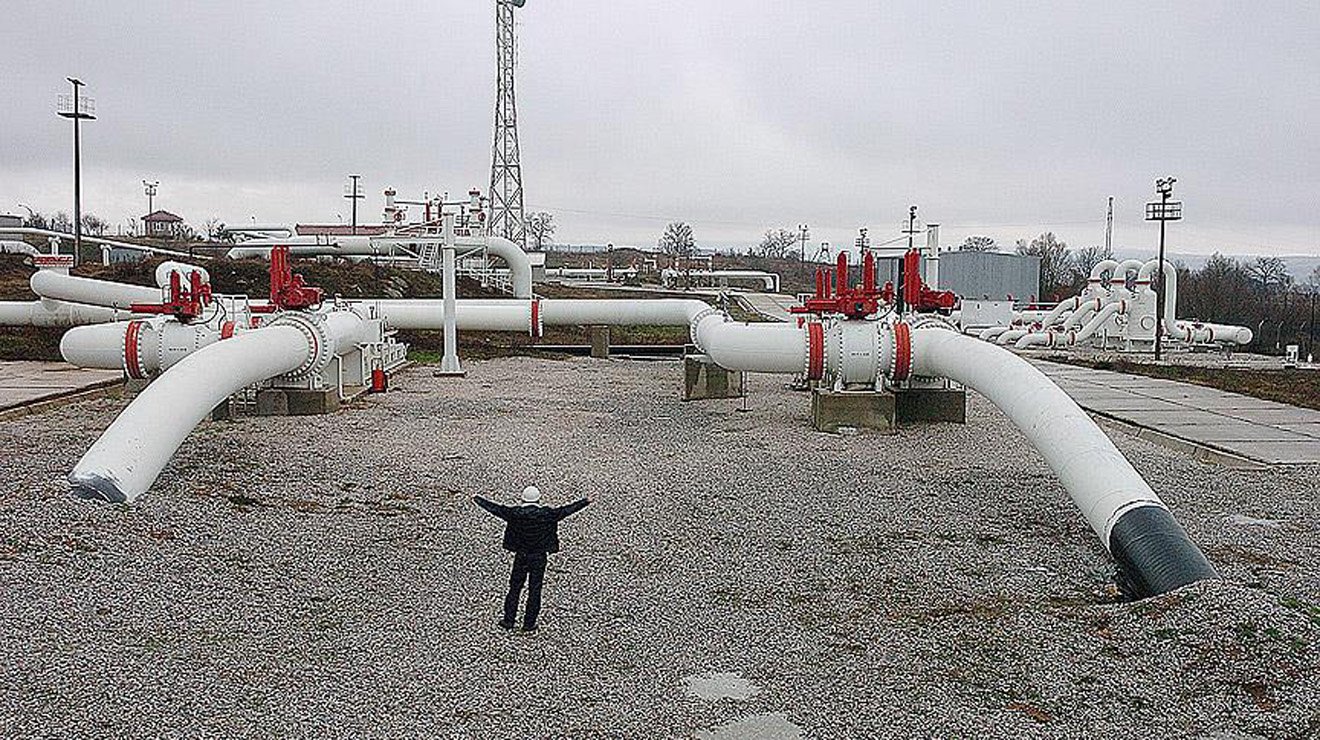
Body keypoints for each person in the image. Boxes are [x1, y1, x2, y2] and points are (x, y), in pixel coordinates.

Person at [473, 486, 591, 632]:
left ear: (522, 499)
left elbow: (495, 509)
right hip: (539, 556)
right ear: (538, 499)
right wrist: (585, 501)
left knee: (515, 588)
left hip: (521, 555)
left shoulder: (515, 514)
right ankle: (529, 623)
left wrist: (478, 499)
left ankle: (509, 620)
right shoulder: (547, 514)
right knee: (535, 589)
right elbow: (567, 510)